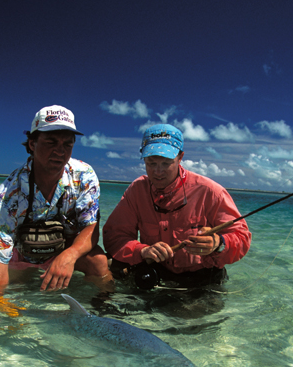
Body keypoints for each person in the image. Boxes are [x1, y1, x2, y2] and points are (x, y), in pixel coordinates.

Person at [0, 104, 112, 314]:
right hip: (23, 255)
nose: (60, 151)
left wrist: (69, 256)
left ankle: (105, 308)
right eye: (51, 142)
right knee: (6, 293)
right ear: (32, 143)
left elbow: (91, 228)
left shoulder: (85, 176)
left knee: (99, 262)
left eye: (67, 144)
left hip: (65, 250)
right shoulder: (8, 193)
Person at [103, 124, 251, 290]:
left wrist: (218, 243)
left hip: (202, 278)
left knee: (186, 314)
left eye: (166, 164)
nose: (158, 172)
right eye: (151, 163)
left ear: (180, 157)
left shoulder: (211, 191)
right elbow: (114, 236)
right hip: (156, 270)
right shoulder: (137, 190)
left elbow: (242, 237)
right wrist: (142, 251)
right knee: (104, 265)